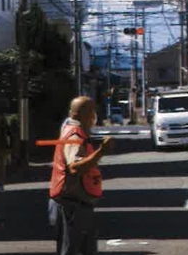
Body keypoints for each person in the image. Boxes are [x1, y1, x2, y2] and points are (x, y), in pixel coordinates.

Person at [49, 96, 114, 255]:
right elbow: (74, 167)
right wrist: (101, 151)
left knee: (86, 249)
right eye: (93, 112)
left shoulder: (75, 132)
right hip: (71, 204)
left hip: (77, 203)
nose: (94, 116)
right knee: (71, 250)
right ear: (85, 114)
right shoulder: (74, 136)